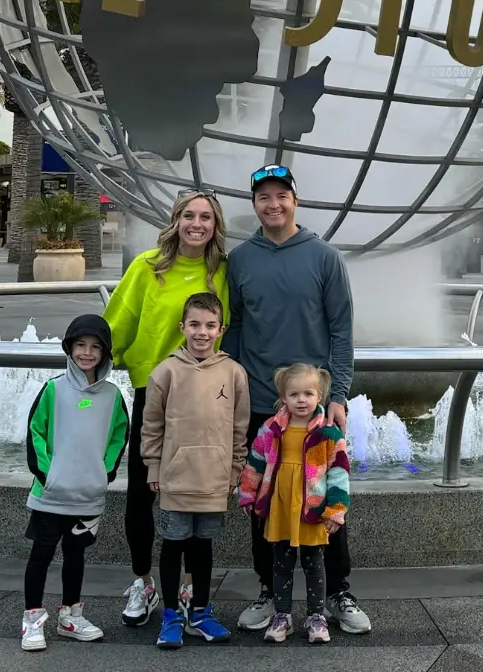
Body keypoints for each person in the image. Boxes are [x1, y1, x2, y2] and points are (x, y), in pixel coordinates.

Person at [223, 165, 370, 635]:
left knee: (327, 498)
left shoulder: (324, 257)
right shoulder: (241, 260)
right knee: (264, 499)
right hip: (263, 406)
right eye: (263, 197)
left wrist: (338, 394)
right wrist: (235, 388)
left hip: (314, 408)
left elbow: (341, 331)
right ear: (254, 205)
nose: (273, 204)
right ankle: (271, 591)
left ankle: (337, 593)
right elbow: (237, 327)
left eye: (281, 195)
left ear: (295, 200)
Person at [104, 190, 229, 627]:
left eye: (206, 217)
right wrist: (91, 365)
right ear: (176, 220)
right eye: (190, 215)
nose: (197, 224)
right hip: (153, 398)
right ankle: (144, 581)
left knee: (196, 496)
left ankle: (192, 588)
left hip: (205, 402)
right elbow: (117, 322)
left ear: (216, 225)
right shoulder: (146, 268)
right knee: (141, 494)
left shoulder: (221, 273)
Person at [141, 291, 249, 649]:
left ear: (221, 329)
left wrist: (235, 469)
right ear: (182, 327)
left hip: (214, 480)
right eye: (195, 324)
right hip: (175, 478)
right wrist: (153, 465)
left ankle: (200, 611)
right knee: (173, 546)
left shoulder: (234, 373)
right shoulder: (165, 371)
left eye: (210, 325)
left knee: (203, 548)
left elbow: (239, 427)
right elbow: (152, 424)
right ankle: (171, 613)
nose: (202, 332)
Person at [21, 314, 129, 651]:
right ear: (69, 348)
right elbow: (35, 432)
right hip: (50, 494)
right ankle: (32, 620)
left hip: (88, 496)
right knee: (40, 555)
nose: (87, 353)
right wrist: (47, 474)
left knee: (76, 555)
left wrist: (104, 473)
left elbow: (118, 437)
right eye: (80, 345)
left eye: (95, 347)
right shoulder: (53, 389)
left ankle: (71, 616)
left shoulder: (113, 396)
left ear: (105, 353)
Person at [239, 364, 350, 645]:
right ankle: (283, 615)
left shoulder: (328, 432)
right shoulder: (271, 428)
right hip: (281, 504)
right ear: (283, 398)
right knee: (281, 562)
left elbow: (339, 473)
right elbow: (255, 463)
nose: (302, 400)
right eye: (294, 394)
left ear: (320, 396)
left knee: (314, 563)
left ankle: (316, 616)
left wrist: (336, 511)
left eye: (308, 394)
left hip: (311, 507)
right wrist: (248, 494)